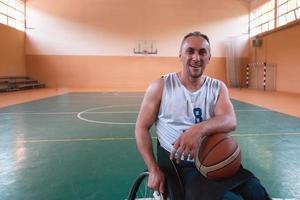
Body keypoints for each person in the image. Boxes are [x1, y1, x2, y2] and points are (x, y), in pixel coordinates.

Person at [135, 31, 269, 200]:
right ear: (180, 55)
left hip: (216, 160)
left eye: (202, 52)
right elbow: (141, 127)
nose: (196, 57)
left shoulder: (217, 87)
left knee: (256, 192)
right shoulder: (161, 86)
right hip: (179, 166)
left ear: (209, 57)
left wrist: (198, 130)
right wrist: (153, 169)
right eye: (190, 51)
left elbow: (230, 120)